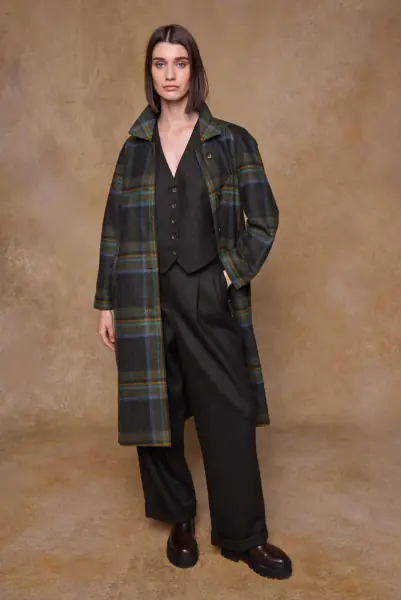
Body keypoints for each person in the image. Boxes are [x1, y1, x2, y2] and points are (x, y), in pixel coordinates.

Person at [94, 23, 292, 580]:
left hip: (207, 290)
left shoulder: (231, 141)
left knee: (228, 412)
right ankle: (179, 517)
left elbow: (264, 220)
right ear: (150, 73)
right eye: (160, 63)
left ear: (194, 70)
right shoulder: (134, 148)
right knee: (156, 410)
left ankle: (243, 536)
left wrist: (230, 273)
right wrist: (107, 302)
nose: (170, 74)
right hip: (142, 292)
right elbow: (113, 229)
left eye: (180, 63)